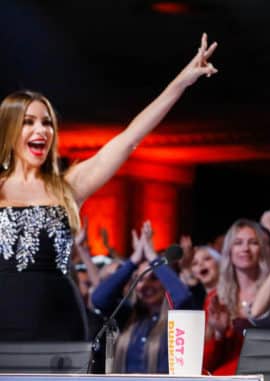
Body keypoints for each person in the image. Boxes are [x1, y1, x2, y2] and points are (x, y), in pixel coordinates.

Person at [0, 33, 217, 341]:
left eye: (47, 122)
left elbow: (130, 139)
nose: (42, 130)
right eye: (29, 122)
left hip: (58, 322)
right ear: (8, 130)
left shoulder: (68, 186)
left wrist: (182, 81)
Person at [91, 221, 193, 373]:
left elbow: (183, 297)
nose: (143, 285)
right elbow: (99, 299)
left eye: (153, 278)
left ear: (166, 280)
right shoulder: (128, 315)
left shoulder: (177, 319)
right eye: (138, 279)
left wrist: (153, 256)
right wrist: (133, 261)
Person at [202, 219, 270, 375]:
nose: (245, 248)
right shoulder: (215, 297)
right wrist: (219, 333)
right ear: (229, 250)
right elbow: (205, 365)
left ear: (262, 250)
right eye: (238, 243)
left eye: (253, 243)